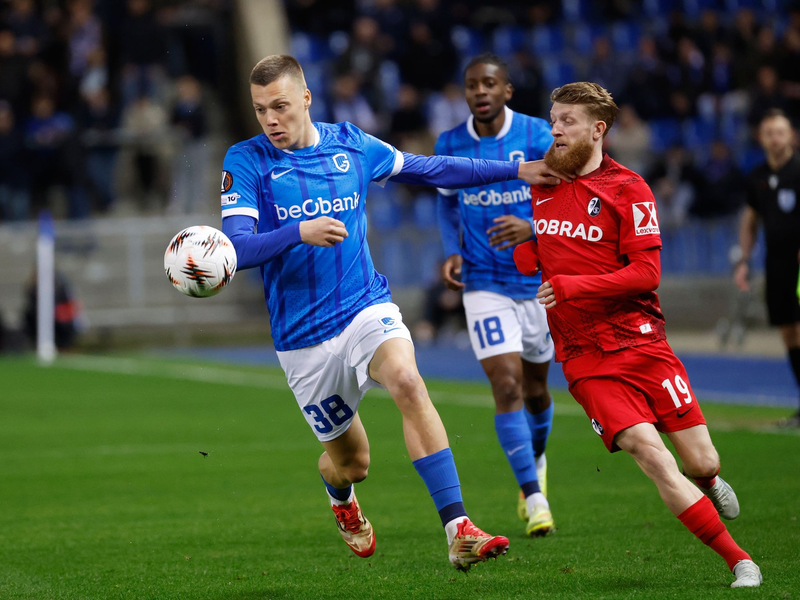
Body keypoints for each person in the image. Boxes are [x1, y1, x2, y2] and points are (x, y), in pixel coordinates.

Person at [219, 55, 568, 571]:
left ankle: (458, 528)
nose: (271, 120)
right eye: (260, 110)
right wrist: (299, 231)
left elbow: (429, 168)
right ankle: (341, 500)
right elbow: (237, 248)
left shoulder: (352, 145)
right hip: (302, 339)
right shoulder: (246, 160)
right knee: (352, 464)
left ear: (307, 99)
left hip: (364, 307)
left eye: (281, 107)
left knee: (407, 379)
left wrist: (516, 168)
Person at [513, 82, 762, 588]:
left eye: (567, 121)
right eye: (553, 119)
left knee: (701, 459)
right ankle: (740, 561)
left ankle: (709, 480)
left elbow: (646, 274)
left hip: (644, 342)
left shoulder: (630, 189)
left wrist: (571, 284)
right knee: (651, 454)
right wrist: (526, 250)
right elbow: (542, 256)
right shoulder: (541, 185)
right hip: (584, 355)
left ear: (597, 129)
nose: (555, 129)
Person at [435, 54, 557, 537]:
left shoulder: (537, 137)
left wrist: (531, 227)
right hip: (483, 282)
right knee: (506, 387)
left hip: (537, 284)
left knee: (536, 389)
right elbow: (446, 205)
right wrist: (452, 251)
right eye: (471, 85)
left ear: (507, 90)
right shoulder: (451, 143)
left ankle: (538, 457)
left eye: (489, 83)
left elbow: (566, 197)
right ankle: (534, 495)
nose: (480, 92)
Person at [734, 109, 800, 427]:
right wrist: (743, 261)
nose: (775, 138)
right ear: (761, 138)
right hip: (776, 263)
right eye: (769, 132)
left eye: (780, 132)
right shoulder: (758, 176)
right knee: (788, 332)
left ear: (792, 136)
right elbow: (750, 221)